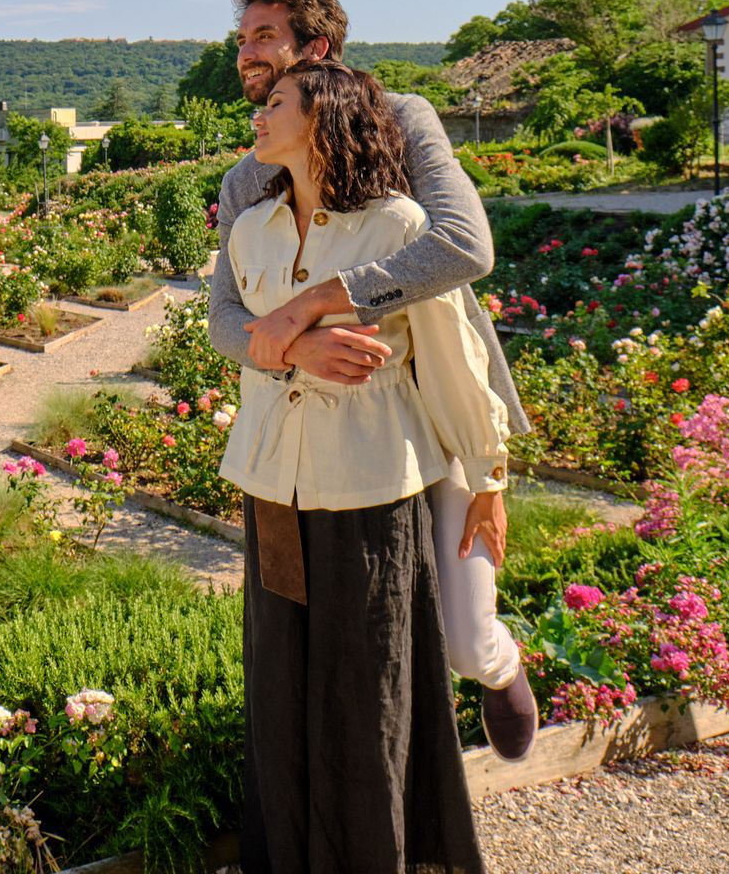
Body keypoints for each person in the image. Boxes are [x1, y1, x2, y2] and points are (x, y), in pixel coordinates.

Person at [206, 0, 536, 754]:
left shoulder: (403, 119)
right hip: (323, 420)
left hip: (434, 387)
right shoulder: (248, 176)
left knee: (463, 628)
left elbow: (462, 245)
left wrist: (316, 300)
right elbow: (226, 316)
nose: (243, 52)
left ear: (313, 49)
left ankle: (498, 668)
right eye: (241, 36)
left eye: (263, 38)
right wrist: (296, 341)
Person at [222, 58, 503, 873]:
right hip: (274, 483)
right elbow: (237, 337)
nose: (257, 113)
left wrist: (487, 477)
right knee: (279, 684)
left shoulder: (399, 229)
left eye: (277, 101)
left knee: (366, 689)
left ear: (325, 115)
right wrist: (290, 344)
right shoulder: (249, 230)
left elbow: (454, 365)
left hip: (373, 487)